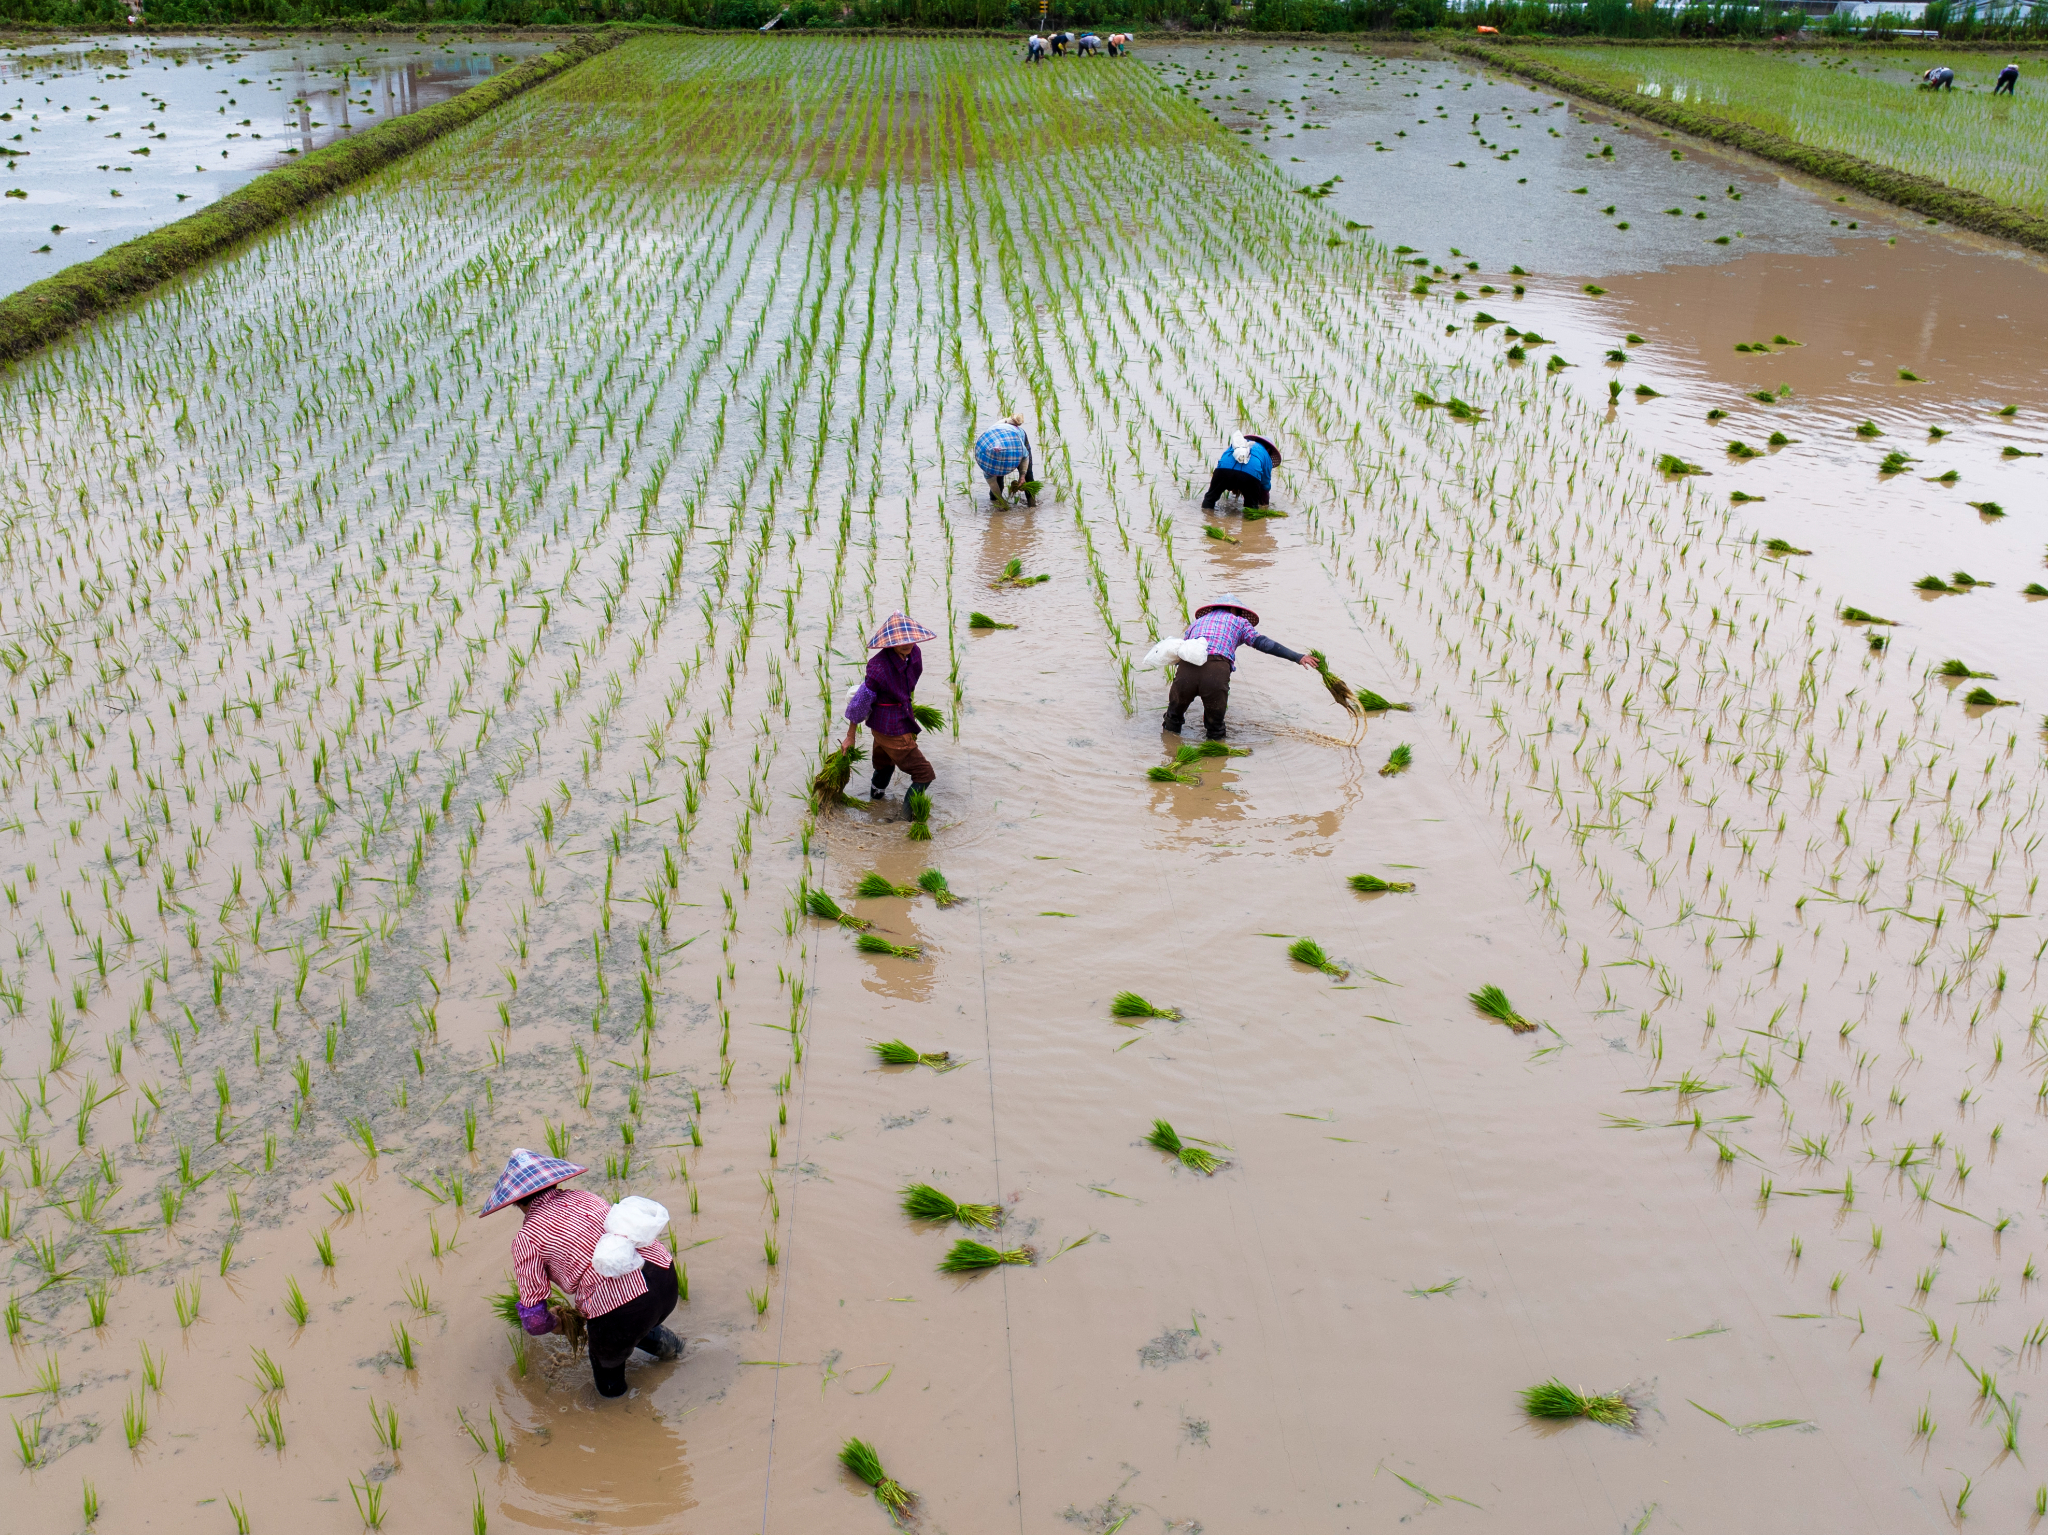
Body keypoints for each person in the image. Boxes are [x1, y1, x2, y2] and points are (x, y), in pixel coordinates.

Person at [483, 1148, 682, 1399]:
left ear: (516, 1202)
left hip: (623, 1311)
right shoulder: (585, 1197)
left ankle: (625, 1416)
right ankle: (676, 1351)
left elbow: (534, 1320)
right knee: (635, 1324)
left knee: (609, 1383)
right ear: (554, 1181)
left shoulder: (527, 1238)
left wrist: (559, 1323)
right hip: (664, 1276)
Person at [1163, 593, 1318, 740]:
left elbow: (1183, 652)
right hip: (1216, 671)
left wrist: (1187, 680)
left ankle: (1169, 752)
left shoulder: (1197, 623)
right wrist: (1297, 657)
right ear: (1233, 610)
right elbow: (1263, 643)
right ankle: (1215, 763)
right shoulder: (1238, 621)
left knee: (1173, 718)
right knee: (1215, 729)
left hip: (1186, 670)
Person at [843, 613, 939, 810]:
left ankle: (875, 804)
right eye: (900, 641)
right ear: (889, 643)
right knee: (924, 774)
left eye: (910, 638)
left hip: (885, 724)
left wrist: (908, 708)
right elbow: (860, 702)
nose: (906, 644)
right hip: (891, 729)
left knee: (884, 765)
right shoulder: (878, 667)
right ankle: (907, 820)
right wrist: (850, 736)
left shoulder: (915, 654)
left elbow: (909, 684)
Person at [1200, 432, 1281, 513]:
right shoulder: (1265, 454)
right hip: (1249, 476)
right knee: (1251, 508)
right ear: (1269, 449)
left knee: (1210, 499)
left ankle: (1207, 518)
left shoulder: (1238, 444)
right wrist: (1265, 505)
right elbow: (1265, 486)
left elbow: (1224, 460)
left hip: (1222, 471)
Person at [973, 413, 1036, 506]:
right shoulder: (985, 456)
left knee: (1028, 477)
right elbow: (992, 483)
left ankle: (1032, 505)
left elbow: (1025, 457)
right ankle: (995, 504)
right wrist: (1001, 502)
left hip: (1014, 435)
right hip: (996, 433)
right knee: (998, 483)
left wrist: (1022, 476)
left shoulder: (1016, 445)